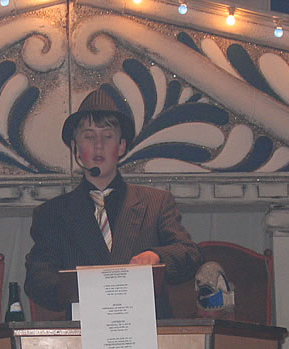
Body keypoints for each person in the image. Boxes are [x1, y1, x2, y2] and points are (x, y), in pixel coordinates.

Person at [24, 88, 202, 317]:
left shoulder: (156, 203)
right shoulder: (52, 214)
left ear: (121, 146)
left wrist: (156, 257)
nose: (98, 145)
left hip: (147, 328)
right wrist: (78, 287)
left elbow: (189, 254)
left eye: (107, 136)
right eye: (89, 137)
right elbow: (37, 279)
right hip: (84, 329)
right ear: (75, 147)